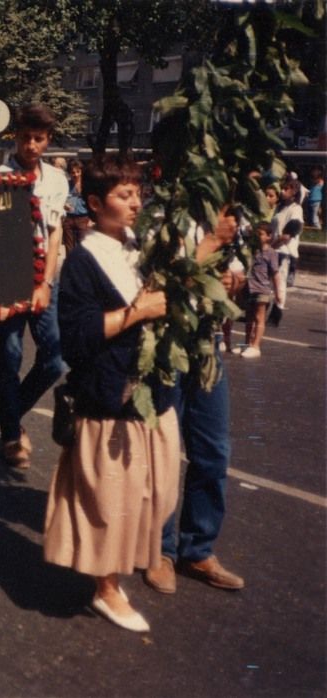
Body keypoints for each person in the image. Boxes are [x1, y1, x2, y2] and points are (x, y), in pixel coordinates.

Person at [44, 154, 179, 633]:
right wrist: (135, 314)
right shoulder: (83, 262)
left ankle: (117, 576)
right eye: (124, 196)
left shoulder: (141, 248)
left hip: (152, 395)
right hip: (109, 399)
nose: (135, 202)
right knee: (112, 503)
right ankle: (106, 588)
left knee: (153, 496)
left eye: (137, 193)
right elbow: (77, 339)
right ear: (97, 204)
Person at [144, 209, 247, 595]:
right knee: (165, 453)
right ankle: (161, 550)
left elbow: (237, 275)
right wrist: (209, 246)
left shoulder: (230, 217)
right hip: (168, 346)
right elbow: (159, 283)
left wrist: (230, 281)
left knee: (214, 451)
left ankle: (198, 548)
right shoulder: (163, 216)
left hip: (207, 346)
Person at [0, 104, 68, 467]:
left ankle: (10, 414)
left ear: (47, 141)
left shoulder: (57, 179)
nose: (31, 146)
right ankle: (10, 435)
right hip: (8, 279)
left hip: (42, 278)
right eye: (25, 138)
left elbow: (54, 236)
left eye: (38, 139)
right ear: (16, 137)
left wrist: (47, 283)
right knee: (9, 356)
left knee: (55, 359)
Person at [237, 222, 280, 358]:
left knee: (259, 317)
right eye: (257, 234)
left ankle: (256, 346)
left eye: (261, 234)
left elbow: (275, 274)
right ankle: (246, 344)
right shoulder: (253, 250)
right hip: (249, 288)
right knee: (249, 317)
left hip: (262, 289)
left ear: (269, 236)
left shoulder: (271, 253)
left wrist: (278, 292)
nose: (258, 236)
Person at [270, 178, 304, 308]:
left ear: (294, 192)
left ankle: (277, 310)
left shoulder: (296, 209)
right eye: (282, 188)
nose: (282, 191)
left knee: (280, 282)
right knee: (268, 282)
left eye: (286, 189)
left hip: (283, 251)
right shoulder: (279, 208)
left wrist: (271, 246)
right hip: (274, 249)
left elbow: (288, 235)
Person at [63, 158, 90, 252]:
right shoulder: (66, 185)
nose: (75, 174)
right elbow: (61, 199)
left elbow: (91, 203)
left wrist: (91, 219)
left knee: (82, 246)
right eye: (73, 172)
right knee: (69, 247)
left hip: (83, 219)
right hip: (68, 219)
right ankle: (70, 266)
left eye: (78, 172)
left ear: (82, 171)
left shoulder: (86, 185)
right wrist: (64, 204)